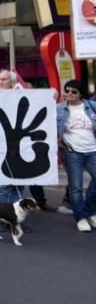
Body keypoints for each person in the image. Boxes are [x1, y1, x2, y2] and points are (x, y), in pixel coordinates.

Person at [0, 69, 49, 208]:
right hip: (0, 148)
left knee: (18, 184)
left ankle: (11, 215)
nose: (1, 82)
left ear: (13, 82)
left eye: (4, 79)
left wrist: (51, 97)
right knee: (5, 183)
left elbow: (42, 108)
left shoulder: (22, 96)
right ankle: (2, 216)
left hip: (21, 148)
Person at [55, 79, 96, 232]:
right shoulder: (59, 109)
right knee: (76, 188)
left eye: (74, 92)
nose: (69, 94)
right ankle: (81, 217)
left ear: (80, 94)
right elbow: (48, 126)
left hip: (93, 150)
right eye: (67, 91)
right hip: (72, 152)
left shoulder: (91, 106)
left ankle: (90, 210)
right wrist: (56, 140)